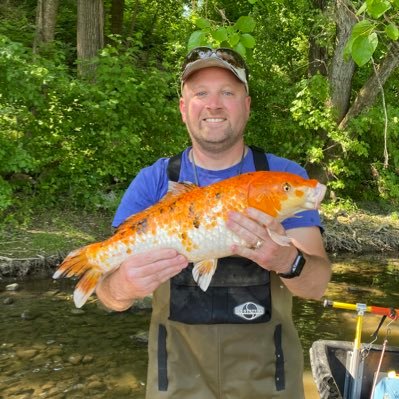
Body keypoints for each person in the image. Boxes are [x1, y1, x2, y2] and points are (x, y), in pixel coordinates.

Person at [95, 46, 332, 399]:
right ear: (183, 109)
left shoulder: (284, 178)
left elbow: (316, 286)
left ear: (247, 105)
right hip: (174, 382)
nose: (214, 104)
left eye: (227, 92)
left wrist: (287, 260)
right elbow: (106, 296)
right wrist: (123, 286)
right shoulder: (154, 181)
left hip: (270, 381)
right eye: (200, 93)